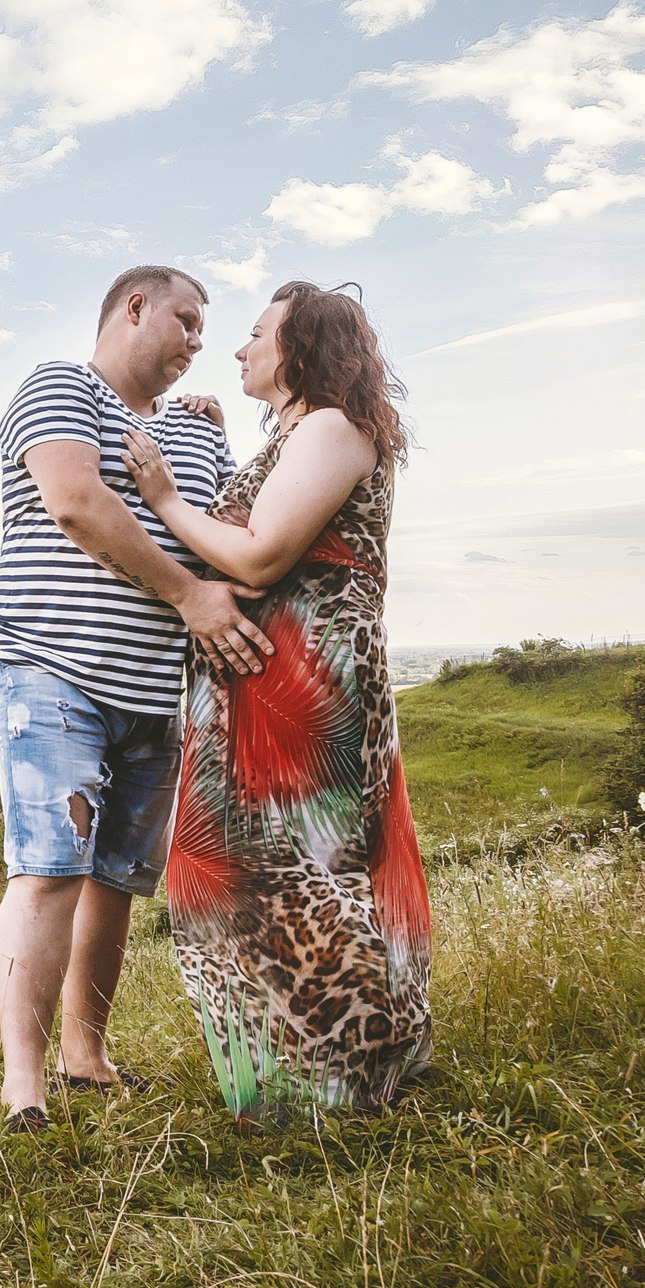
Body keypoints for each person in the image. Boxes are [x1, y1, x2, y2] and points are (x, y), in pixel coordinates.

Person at [119, 280, 432, 1124]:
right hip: (268, 676)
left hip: (302, 682)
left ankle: (346, 1082)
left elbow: (258, 556)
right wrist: (220, 443)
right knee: (266, 874)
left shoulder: (332, 426)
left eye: (256, 333)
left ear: (298, 349)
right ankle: (303, 1078)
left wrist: (165, 498)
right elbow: (258, 518)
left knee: (306, 873)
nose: (237, 347)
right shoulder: (301, 435)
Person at [0, 264, 275, 1133]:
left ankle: (87, 1055)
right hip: (52, 668)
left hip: (154, 691)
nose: (199, 341)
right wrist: (188, 597)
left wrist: (228, 440)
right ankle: (24, 1087)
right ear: (134, 307)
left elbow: (234, 531)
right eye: (185, 320)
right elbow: (75, 501)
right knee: (49, 871)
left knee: (116, 879)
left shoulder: (197, 432)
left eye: (205, 329)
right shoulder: (61, 385)